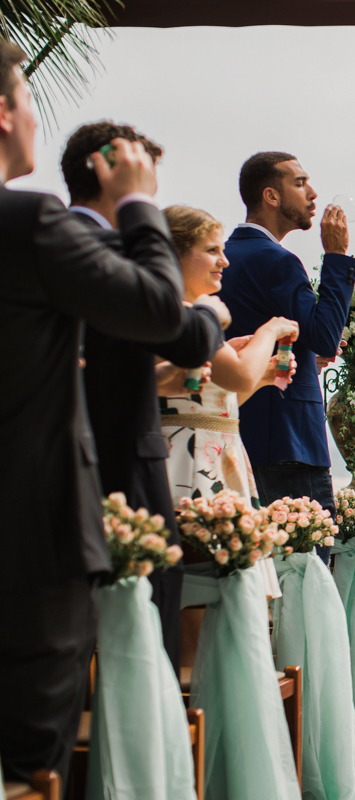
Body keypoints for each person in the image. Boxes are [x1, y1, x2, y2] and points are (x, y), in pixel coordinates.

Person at [0, 42, 185, 785]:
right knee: (28, 763)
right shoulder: (30, 223)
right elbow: (156, 307)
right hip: (31, 544)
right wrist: (141, 203)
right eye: (26, 99)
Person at [61, 121, 228, 674]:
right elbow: (178, 330)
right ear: (115, 170)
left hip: (49, 471)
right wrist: (209, 314)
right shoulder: (112, 248)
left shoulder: (46, 239)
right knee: (145, 631)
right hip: (124, 468)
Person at [216, 152, 355, 562]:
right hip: (291, 444)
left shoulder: (222, 259)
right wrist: (336, 256)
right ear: (271, 196)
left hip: (235, 437)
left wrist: (304, 358)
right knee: (306, 571)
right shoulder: (278, 261)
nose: (313, 194)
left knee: (255, 572)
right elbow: (326, 336)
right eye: (300, 182)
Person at [158, 205, 299, 598]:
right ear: (175, 253)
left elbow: (216, 402)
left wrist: (265, 377)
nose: (225, 261)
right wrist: (269, 330)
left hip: (214, 454)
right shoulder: (182, 316)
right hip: (189, 465)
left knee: (220, 597)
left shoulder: (187, 315)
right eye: (212, 250)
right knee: (201, 597)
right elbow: (236, 374)